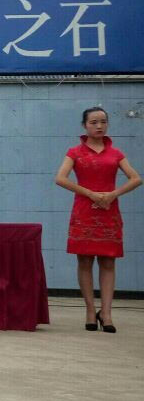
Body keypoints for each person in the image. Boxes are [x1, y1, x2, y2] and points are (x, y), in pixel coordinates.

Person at [54, 107, 141, 333]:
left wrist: (113, 194)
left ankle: (107, 313)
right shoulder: (75, 152)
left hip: (109, 211)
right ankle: (91, 310)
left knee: (108, 262)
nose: (99, 126)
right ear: (84, 125)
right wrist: (90, 194)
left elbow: (136, 178)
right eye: (93, 122)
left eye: (103, 121)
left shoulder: (116, 153)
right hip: (84, 210)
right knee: (84, 261)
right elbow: (60, 178)